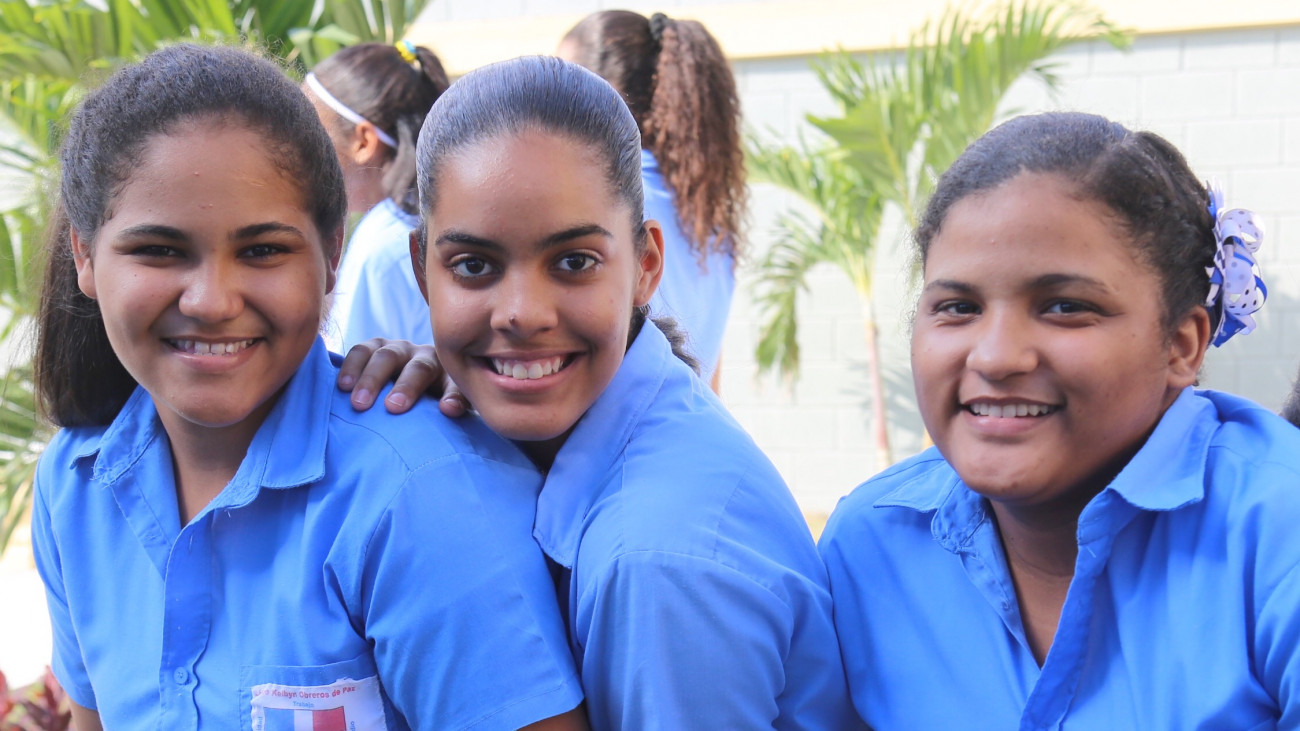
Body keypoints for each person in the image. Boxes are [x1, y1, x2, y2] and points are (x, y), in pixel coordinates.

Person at [29, 44, 584, 731]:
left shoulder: (419, 496)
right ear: (85, 255)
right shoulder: (76, 483)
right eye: (159, 251)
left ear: (332, 256)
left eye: (262, 250)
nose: (211, 300)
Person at [386, 55, 857, 729]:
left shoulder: (657, 561)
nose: (522, 313)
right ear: (421, 270)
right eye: (474, 266)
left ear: (646, 265)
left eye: (574, 261)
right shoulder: (557, 437)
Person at [818, 111, 1299, 728]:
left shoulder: (1275, 533)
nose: (995, 357)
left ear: (1182, 344)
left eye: (1066, 307)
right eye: (958, 307)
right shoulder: (870, 545)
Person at [557, 11, 744, 389]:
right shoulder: (709, 221)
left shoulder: (603, 195)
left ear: (604, 91)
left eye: (561, 83)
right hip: (685, 422)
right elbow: (711, 385)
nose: (545, 100)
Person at [306, 41, 449, 352]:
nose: (297, 150)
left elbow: (350, 369)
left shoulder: (384, 245)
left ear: (363, 142)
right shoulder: (430, 221)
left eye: (310, 134)